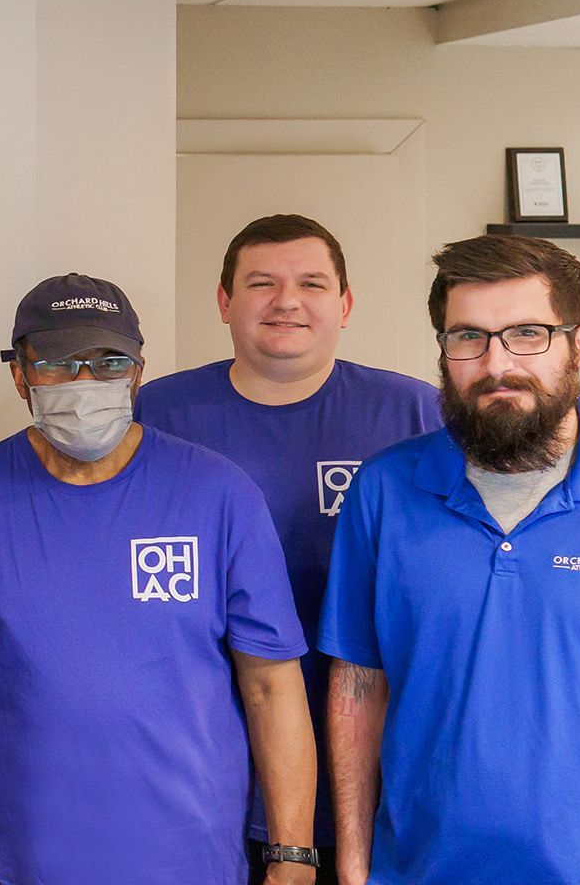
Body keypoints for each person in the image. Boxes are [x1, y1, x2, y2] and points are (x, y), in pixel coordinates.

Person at [0, 273, 318, 885]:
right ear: (20, 376)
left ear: (138, 373)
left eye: (108, 362)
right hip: (9, 866)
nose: (85, 383)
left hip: (188, 863)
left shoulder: (217, 495)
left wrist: (292, 857)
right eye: (60, 365)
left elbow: (273, 686)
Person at [137, 214, 439, 879]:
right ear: (224, 301)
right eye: (261, 283)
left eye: (311, 283)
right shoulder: (159, 414)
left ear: (346, 304)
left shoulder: (415, 415)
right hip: (201, 765)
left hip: (375, 764)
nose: (287, 301)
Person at [322, 234, 580, 885]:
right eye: (468, 337)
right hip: (416, 871)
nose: (495, 362)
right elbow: (358, 684)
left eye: (527, 334)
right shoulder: (385, 489)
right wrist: (352, 863)